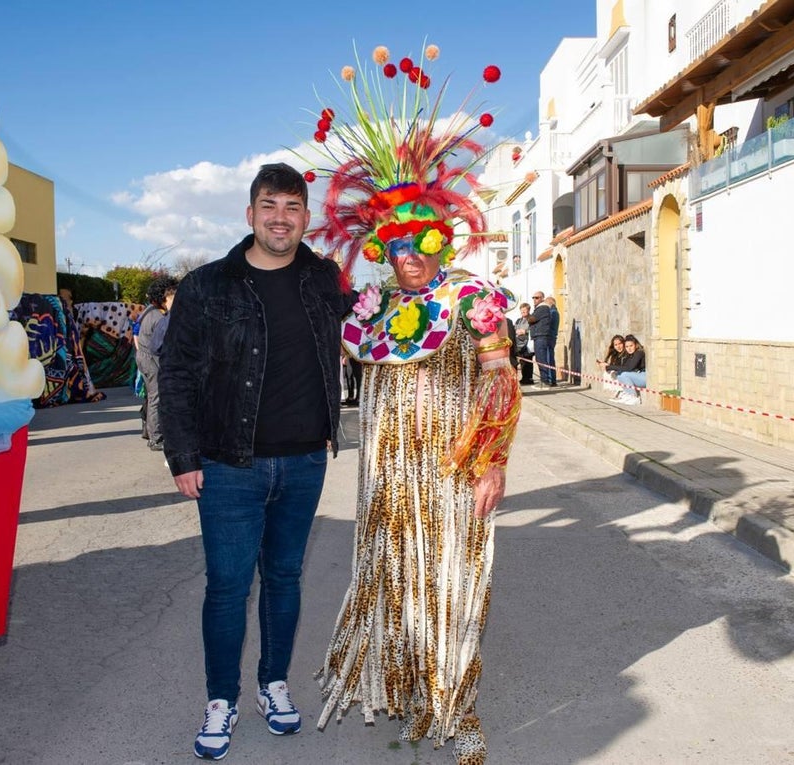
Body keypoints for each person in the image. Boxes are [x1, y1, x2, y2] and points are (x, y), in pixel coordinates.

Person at [305, 44, 522, 765]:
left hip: (453, 470)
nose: (410, 255)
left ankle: (457, 707)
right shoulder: (369, 309)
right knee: (394, 577)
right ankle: (404, 685)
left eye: (422, 239)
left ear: (442, 237)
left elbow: (499, 378)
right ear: (381, 248)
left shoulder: (472, 297)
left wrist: (490, 461)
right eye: (395, 242)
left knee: (456, 587)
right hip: (388, 478)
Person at [158, 162, 355, 761]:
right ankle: (222, 699)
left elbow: (379, 330)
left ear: (306, 217)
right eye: (270, 205)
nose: (281, 218)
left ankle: (274, 684)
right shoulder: (207, 285)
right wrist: (183, 454)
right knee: (226, 587)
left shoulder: (324, 279)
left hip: (303, 462)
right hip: (226, 464)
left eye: (293, 207)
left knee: (285, 578)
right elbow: (178, 372)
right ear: (250, 214)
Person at [134, 275, 177, 451]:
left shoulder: (149, 311)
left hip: (144, 358)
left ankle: (149, 431)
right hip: (151, 359)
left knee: (151, 396)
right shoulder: (158, 317)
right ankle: (156, 438)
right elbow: (160, 345)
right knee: (156, 396)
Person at [606, 334, 647, 405]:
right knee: (619, 373)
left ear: (636, 345)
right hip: (639, 376)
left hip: (645, 377)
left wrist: (610, 366)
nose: (629, 348)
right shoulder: (631, 354)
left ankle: (634, 397)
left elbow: (629, 368)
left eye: (631, 346)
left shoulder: (639, 353)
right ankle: (627, 394)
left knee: (623, 374)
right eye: (627, 346)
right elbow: (624, 367)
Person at [528, 291, 555, 387]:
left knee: (541, 359)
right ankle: (544, 380)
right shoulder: (539, 308)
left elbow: (532, 319)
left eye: (537, 297)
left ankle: (545, 381)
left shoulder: (542, 308)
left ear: (542, 298)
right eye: (533, 297)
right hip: (538, 336)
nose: (534, 300)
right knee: (540, 359)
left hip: (541, 336)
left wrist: (526, 314)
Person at [514, 303, 534, 385]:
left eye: (524, 311)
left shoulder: (532, 319)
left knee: (528, 362)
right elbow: (514, 328)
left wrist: (525, 331)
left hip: (527, 344)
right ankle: (524, 378)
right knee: (522, 362)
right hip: (519, 344)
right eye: (521, 311)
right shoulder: (519, 320)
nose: (523, 312)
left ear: (528, 310)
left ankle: (529, 378)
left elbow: (533, 329)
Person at [545, 296, 561, 384]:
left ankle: (551, 379)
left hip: (549, 337)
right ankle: (551, 379)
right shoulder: (555, 312)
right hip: (551, 337)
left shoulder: (553, 312)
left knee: (549, 358)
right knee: (549, 358)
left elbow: (548, 324)